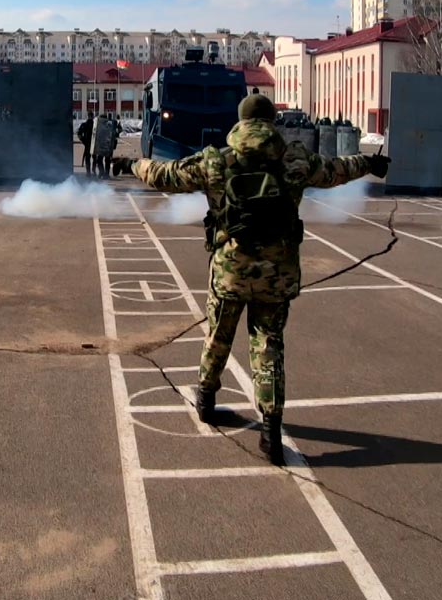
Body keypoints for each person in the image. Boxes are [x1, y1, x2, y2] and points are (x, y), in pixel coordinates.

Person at [131, 94, 389, 463]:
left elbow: (164, 176)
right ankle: (270, 430)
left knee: (218, 334)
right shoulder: (295, 160)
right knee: (268, 346)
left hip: (230, 270)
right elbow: (335, 170)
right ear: (271, 122)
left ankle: (205, 399)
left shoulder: (216, 161)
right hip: (276, 272)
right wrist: (369, 162)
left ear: (240, 121)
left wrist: (133, 164)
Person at [91, 112, 115, 179]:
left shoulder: (100, 127)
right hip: (107, 146)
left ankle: (102, 172)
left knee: (100, 160)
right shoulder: (109, 126)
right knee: (106, 160)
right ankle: (105, 174)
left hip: (102, 146)